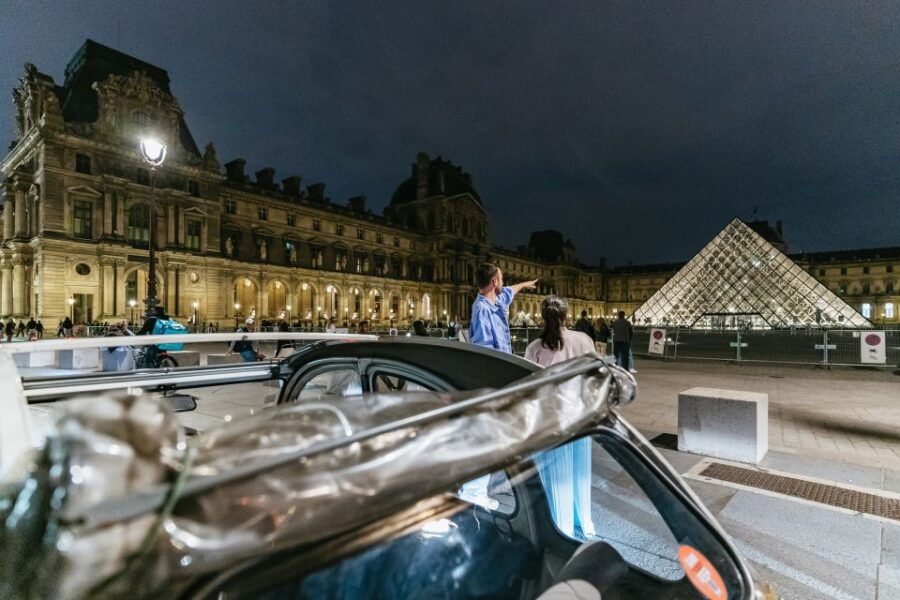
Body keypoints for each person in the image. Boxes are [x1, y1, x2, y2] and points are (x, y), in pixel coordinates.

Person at [524, 296, 596, 539]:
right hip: (578, 414)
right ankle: (583, 521)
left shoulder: (535, 347)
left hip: (549, 417)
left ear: (543, 317)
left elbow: (528, 387)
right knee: (579, 472)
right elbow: (594, 377)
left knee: (555, 474)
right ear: (567, 315)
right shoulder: (583, 340)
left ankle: (559, 524)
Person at [469, 262, 536, 353]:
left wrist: (523, 284)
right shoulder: (482, 309)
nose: (503, 283)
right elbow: (485, 350)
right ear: (495, 281)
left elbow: (508, 292)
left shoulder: (496, 301)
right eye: (501, 279)